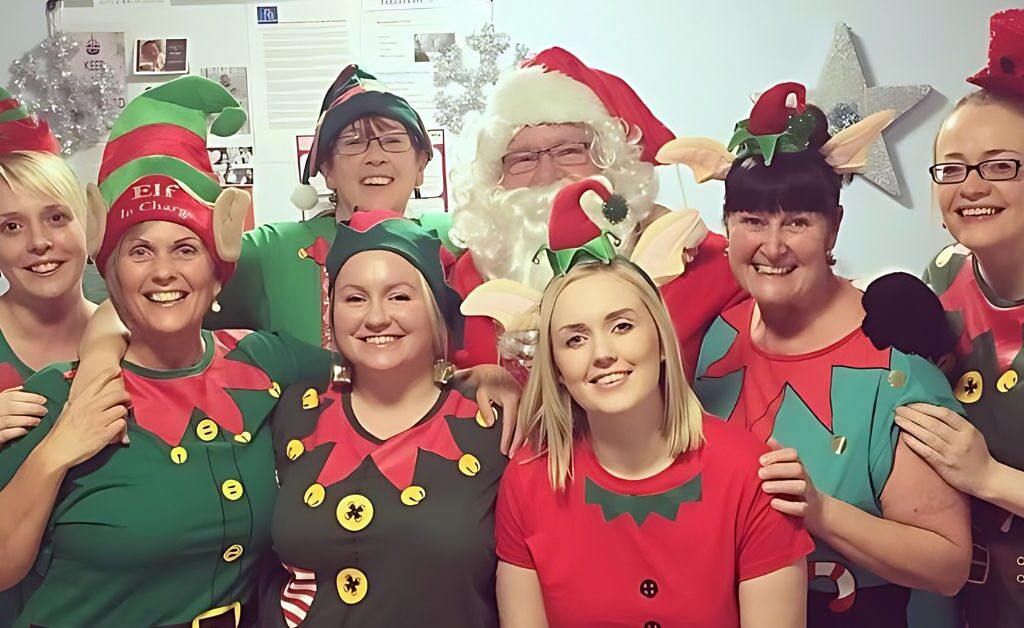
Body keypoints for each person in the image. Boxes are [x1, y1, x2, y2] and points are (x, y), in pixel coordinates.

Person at [0, 75, 331, 627]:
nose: (163, 271)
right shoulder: (47, 400)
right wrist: (61, 444)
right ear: (112, 268)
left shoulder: (261, 359)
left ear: (219, 272)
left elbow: (378, 378)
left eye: (184, 247)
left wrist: (471, 377)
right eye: (139, 252)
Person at [663, 82, 972, 627]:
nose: (773, 245)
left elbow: (947, 564)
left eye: (797, 222)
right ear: (727, 228)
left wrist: (822, 512)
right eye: (753, 221)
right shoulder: (715, 338)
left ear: (833, 227)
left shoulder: (892, 359)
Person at [488, 180, 812, 628]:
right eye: (575, 338)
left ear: (660, 340)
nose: (602, 353)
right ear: (557, 366)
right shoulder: (528, 481)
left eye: (621, 326)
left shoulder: (749, 475)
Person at [260, 212, 506, 626]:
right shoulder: (294, 412)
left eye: (399, 297)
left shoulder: (492, 426)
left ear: (433, 311)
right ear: (331, 315)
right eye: (355, 298)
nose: (376, 317)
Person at [448, 47, 742, 376]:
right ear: (495, 176)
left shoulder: (697, 260)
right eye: (522, 158)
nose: (547, 175)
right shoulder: (470, 276)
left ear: (612, 161)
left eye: (569, 150)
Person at [896, 10, 1024, 627]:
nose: (971, 186)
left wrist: (989, 478)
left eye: (1001, 165)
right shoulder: (942, 275)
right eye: (952, 168)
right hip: (965, 593)